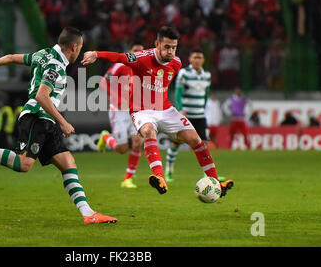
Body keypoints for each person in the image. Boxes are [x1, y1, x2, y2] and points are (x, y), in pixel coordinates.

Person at [0, 27, 117, 225]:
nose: (79, 53)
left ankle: (88, 214)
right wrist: (64, 122)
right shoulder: (56, 66)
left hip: (46, 120)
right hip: (37, 117)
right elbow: (41, 96)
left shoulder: (42, 54)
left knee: (68, 162)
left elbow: (11, 57)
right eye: (79, 49)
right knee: (24, 164)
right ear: (74, 46)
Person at [82, 26, 234, 197]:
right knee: (148, 132)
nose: (170, 51)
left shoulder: (176, 63)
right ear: (157, 44)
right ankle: (159, 176)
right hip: (141, 110)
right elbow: (120, 57)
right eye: (167, 47)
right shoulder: (142, 57)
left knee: (196, 139)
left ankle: (216, 182)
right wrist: (96, 53)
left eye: (174, 47)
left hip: (165, 109)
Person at [96, 42, 145, 189]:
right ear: (130, 52)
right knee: (122, 149)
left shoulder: (145, 68)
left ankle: (128, 179)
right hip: (118, 110)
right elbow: (103, 82)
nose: (137, 54)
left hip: (135, 110)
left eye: (140, 51)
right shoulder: (120, 65)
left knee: (138, 143)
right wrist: (117, 97)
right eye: (135, 50)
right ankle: (105, 136)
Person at [165, 49, 211, 183]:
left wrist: (203, 107)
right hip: (186, 114)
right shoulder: (184, 74)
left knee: (204, 145)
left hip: (200, 115)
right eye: (195, 57)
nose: (197, 60)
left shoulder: (207, 75)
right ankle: (168, 170)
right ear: (190, 59)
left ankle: (207, 175)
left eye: (200, 57)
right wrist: (180, 109)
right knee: (176, 143)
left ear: (203, 60)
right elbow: (178, 93)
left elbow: (206, 94)